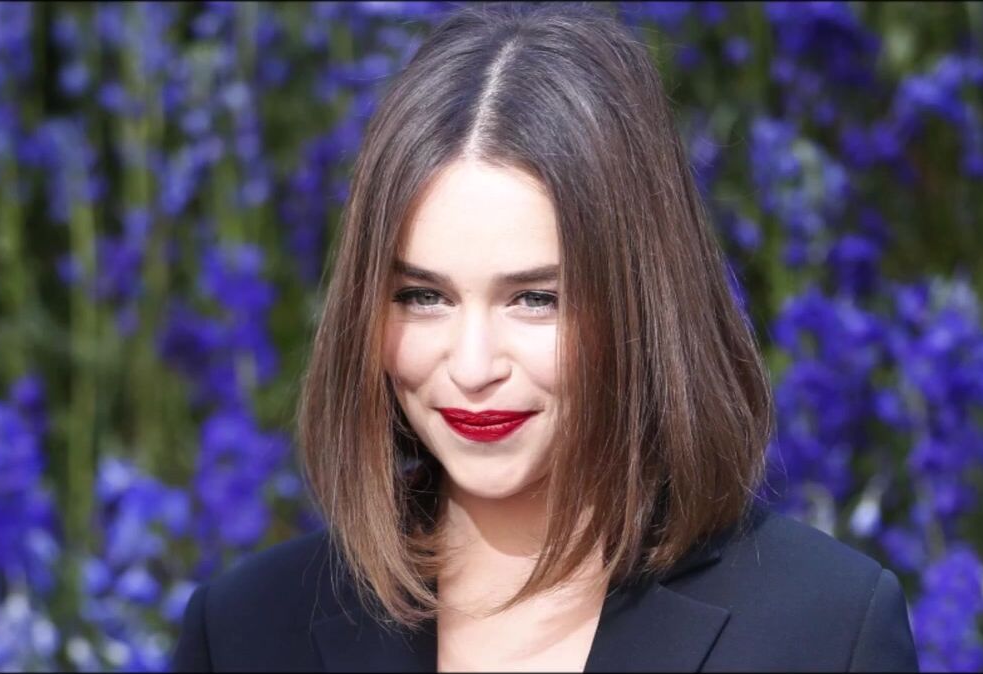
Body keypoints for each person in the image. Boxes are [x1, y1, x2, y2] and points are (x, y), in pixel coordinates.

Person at [171, 3, 919, 672]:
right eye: (424, 297)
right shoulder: (245, 630)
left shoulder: (823, 630)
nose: (472, 367)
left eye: (536, 299)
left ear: (643, 306)